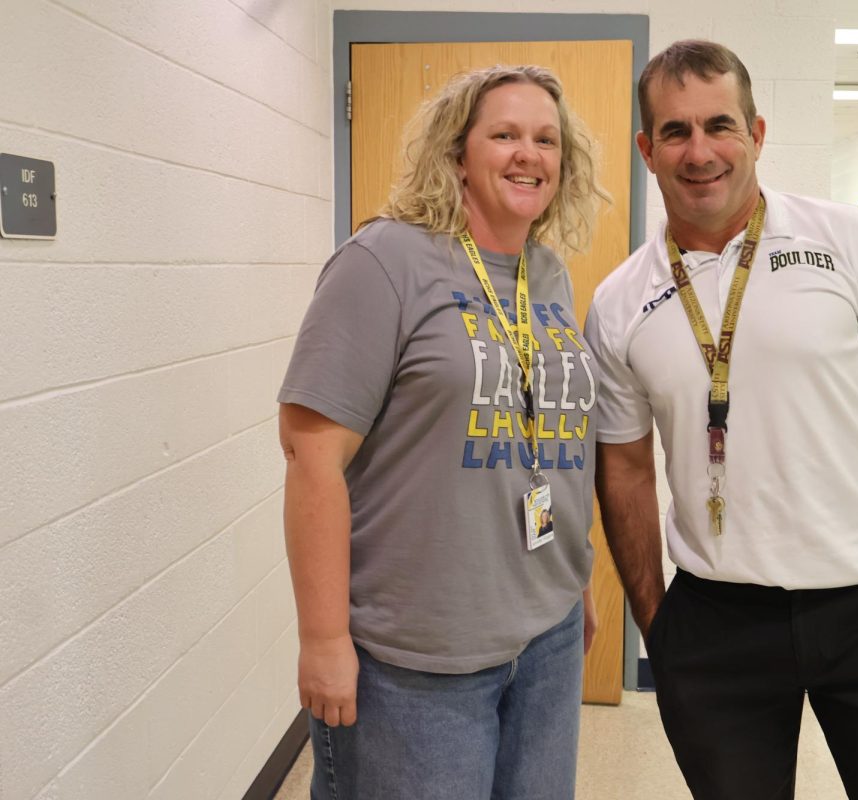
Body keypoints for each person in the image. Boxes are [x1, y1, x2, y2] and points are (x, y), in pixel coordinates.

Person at [585, 40, 858, 800]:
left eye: (719, 125)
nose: (700, 152)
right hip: (716, 619)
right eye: (675, 132)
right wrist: (657, 620)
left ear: (756, 134)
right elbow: (623, 465)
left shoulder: (849, 241)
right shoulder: (620, 300)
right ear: (646, 149)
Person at [278, 64, 607, 799]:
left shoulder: (546, 273)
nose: (530, 154)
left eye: (546, 139)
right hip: (418, 659)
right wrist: (324, 640)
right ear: (457, 153)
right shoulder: (385, 260)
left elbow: (546, 435)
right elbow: (310, 456)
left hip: (545, 635)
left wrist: (572, 579)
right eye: (506, 135)